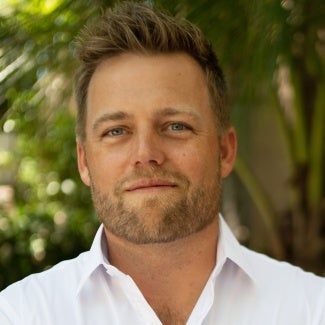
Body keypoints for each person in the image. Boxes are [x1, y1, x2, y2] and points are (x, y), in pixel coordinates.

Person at [0, 1, 324, 324]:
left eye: (176, 126)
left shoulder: (311, 309)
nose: (146, 153)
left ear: (225, 150)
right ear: (84, 161)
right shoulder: (21, 314)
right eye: (116, 131)